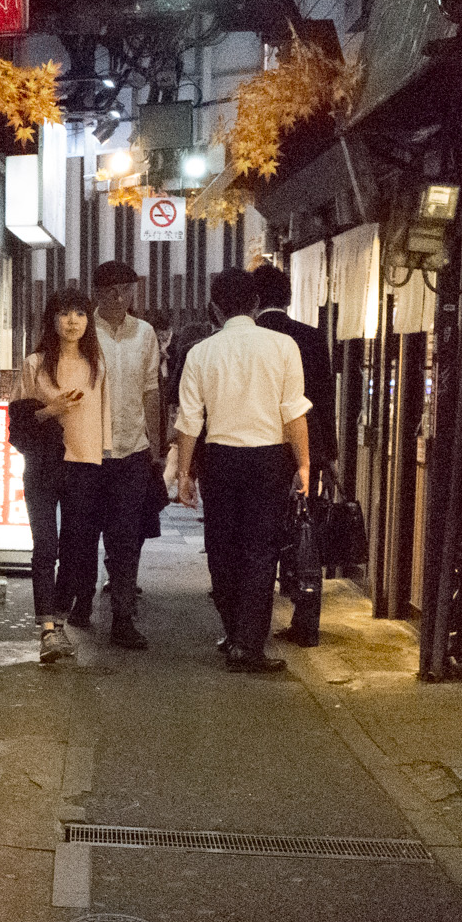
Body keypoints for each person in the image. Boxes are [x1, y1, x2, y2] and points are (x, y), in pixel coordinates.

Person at [176, 267, 310, 673]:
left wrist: (184, 474)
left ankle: (235, 633)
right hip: (269, 459)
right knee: (260, 551)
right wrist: (303, 463)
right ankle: (247, 645)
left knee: (222, 548)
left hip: (219, 459)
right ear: (255, 304)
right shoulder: (283, 346)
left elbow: (189, 421)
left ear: (215, 308)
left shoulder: (200, 352)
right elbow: (294, 413)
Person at [53, 259, 162, 648]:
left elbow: (151, 389)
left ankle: (123, 618)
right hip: (86, 451)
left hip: (131, 451)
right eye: (111, 291)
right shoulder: (83, 332)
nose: (120, 298)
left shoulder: (145, 333)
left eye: (127, 290)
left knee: (125, 538)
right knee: (81, 534)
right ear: (97, 294)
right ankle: (80, 602)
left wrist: (156, 447)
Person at [250, 261, 337, 645]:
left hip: (260, 448)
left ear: (254, 299)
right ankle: (306, 621)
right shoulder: (312, 337)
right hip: (306, 451)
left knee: (259, 533)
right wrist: (326, 455)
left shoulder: (251, 338)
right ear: (288, 298)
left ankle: (253, 621)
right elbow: (324, 400)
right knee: (304, 530)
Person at [14, 286, 101, 663]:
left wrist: (103, 459)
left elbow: (103, 419)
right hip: (43, 464)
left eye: (80, 313)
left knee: (75, 548)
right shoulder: (34, 364)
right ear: (51, 319)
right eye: (64, 313)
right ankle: (47, 629)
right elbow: (18, 420)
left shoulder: (96, 365)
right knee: (46, 546)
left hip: (85, 464)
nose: (72, 321)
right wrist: (52, 409)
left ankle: (60, 620)